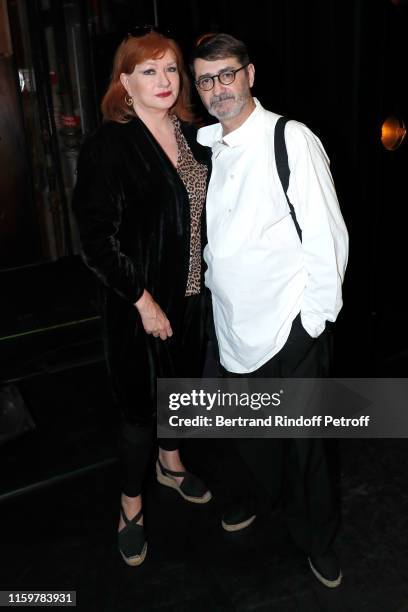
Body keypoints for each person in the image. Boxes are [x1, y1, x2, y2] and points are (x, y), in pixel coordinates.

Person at [190, 33, 349, 588]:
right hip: (233, 328)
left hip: (290, 328)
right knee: (252, 436)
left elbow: (329, 238)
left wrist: (312, 322)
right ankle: (259, 499)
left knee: (305, 448)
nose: (218, 88)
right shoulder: (210, 146)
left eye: (227, 74)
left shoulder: (290, 139)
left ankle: (318, 540)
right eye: (206, 79)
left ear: (250, 74)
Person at [72, 28, 212, 567]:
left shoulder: (194, 135)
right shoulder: (109, 145)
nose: (163, 80)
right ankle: (130, 505)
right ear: (125, 80)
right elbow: (95, 239)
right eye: (148, 70)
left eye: (171, 69)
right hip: (138, 306)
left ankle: (170, 465)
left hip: (194, 296)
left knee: (180, 393)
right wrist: (143, 301)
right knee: (138, 413)